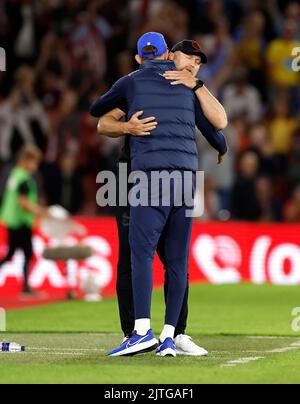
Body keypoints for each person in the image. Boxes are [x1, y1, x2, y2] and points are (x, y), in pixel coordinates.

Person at [91, 32, 228, 357]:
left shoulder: (142, 82)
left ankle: (155, 333)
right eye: (189, 59)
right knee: (170, 259)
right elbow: (102, 123)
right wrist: (127, 126)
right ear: (168, 55)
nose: (193, 65)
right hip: (164, 176)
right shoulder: (146, 85)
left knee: (142, 256)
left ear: (140, 58)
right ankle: (156, 333)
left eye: (197, 63)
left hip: (146, 176)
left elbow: (96, 110)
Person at [0, 144, 49, 296]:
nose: (35, 167)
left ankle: (26, 288)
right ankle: (26, 289)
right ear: (27, 160)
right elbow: (24, 203)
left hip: (12, 220)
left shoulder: (14, 174)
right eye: (35, 162)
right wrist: (42, 212)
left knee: (13, 253)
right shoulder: (24, 179)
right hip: (20, 222)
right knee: (25, 253)